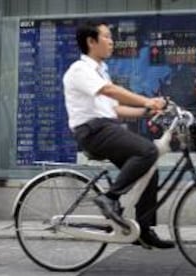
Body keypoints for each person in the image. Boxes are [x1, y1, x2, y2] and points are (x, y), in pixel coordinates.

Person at [63, 21, 174, 249]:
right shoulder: (80, 70)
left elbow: (115, 109)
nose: (112, 41)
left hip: (106, 127)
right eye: (106, 37)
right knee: (148, 151)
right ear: (91, 42)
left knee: (149, 171)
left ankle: (143, 229)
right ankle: (109, 198)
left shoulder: (100, 71)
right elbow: (110, 91)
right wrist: (147, 100)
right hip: (93, 131)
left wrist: (147, 110)